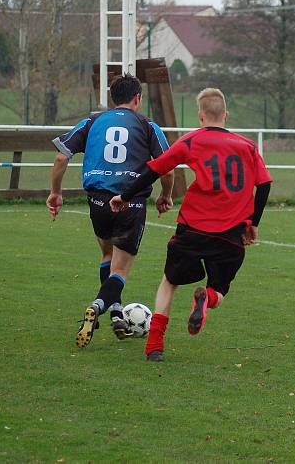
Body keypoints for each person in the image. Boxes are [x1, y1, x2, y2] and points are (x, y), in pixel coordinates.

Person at [109, 87, 272, 362]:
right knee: (220, 288)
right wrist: (253, 223)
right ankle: (206, 299)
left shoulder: (192, 141)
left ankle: (155, 346)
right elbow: (265, 184)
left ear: (200, 116)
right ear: (226, 115)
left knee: (170, 281)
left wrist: (124, 196)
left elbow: (155, 169)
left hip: (193, 227)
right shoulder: (247, 146)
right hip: (231, 233)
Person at [47, 73, 174, 347]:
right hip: (131, 202)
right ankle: (99, 305)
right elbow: (166, 165)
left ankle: (117, 313)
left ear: (112, 99)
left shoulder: (92, 122)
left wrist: (56, 192)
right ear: (137, 99)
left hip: (97, 201)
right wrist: (165, 194)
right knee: (122, 269)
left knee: (107, 253)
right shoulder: (148, 125)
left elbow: (60, 156)